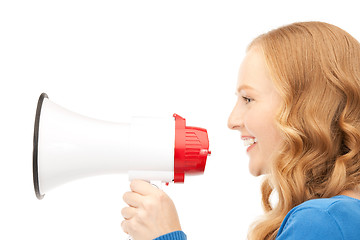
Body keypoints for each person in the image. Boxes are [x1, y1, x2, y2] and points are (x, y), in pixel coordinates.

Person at [121, 21, 360, 240]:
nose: (232, 120)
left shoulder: (323, 222)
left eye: (248, 99)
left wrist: (165, 235)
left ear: (305, 108)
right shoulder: (342, 217)